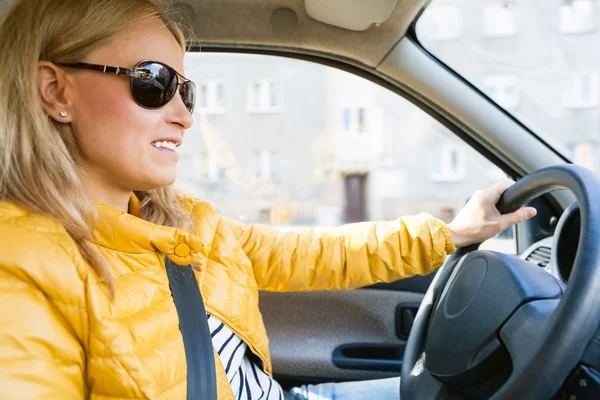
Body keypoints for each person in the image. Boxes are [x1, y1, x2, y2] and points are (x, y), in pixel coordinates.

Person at [0, 0, 537, 399]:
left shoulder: (183, 225)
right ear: (56, 91)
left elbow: (307, 254)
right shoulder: (19, 269)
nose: (184, 115)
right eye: (153, 82)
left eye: (186, 91)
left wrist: (447, 235)